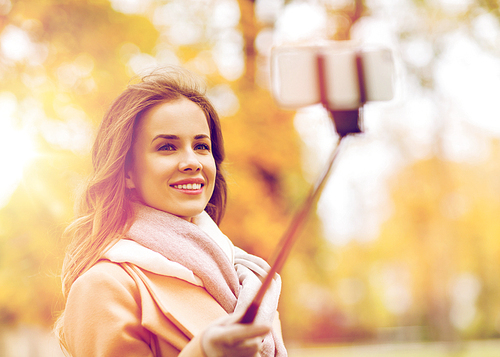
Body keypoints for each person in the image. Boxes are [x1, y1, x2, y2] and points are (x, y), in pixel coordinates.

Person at [54, 66, 287, 357]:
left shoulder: (247, 280)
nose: (192, 161)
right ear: (127, 171)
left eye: (202, 146)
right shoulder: (103, 286)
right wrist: (201, 353)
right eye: (167, 147)